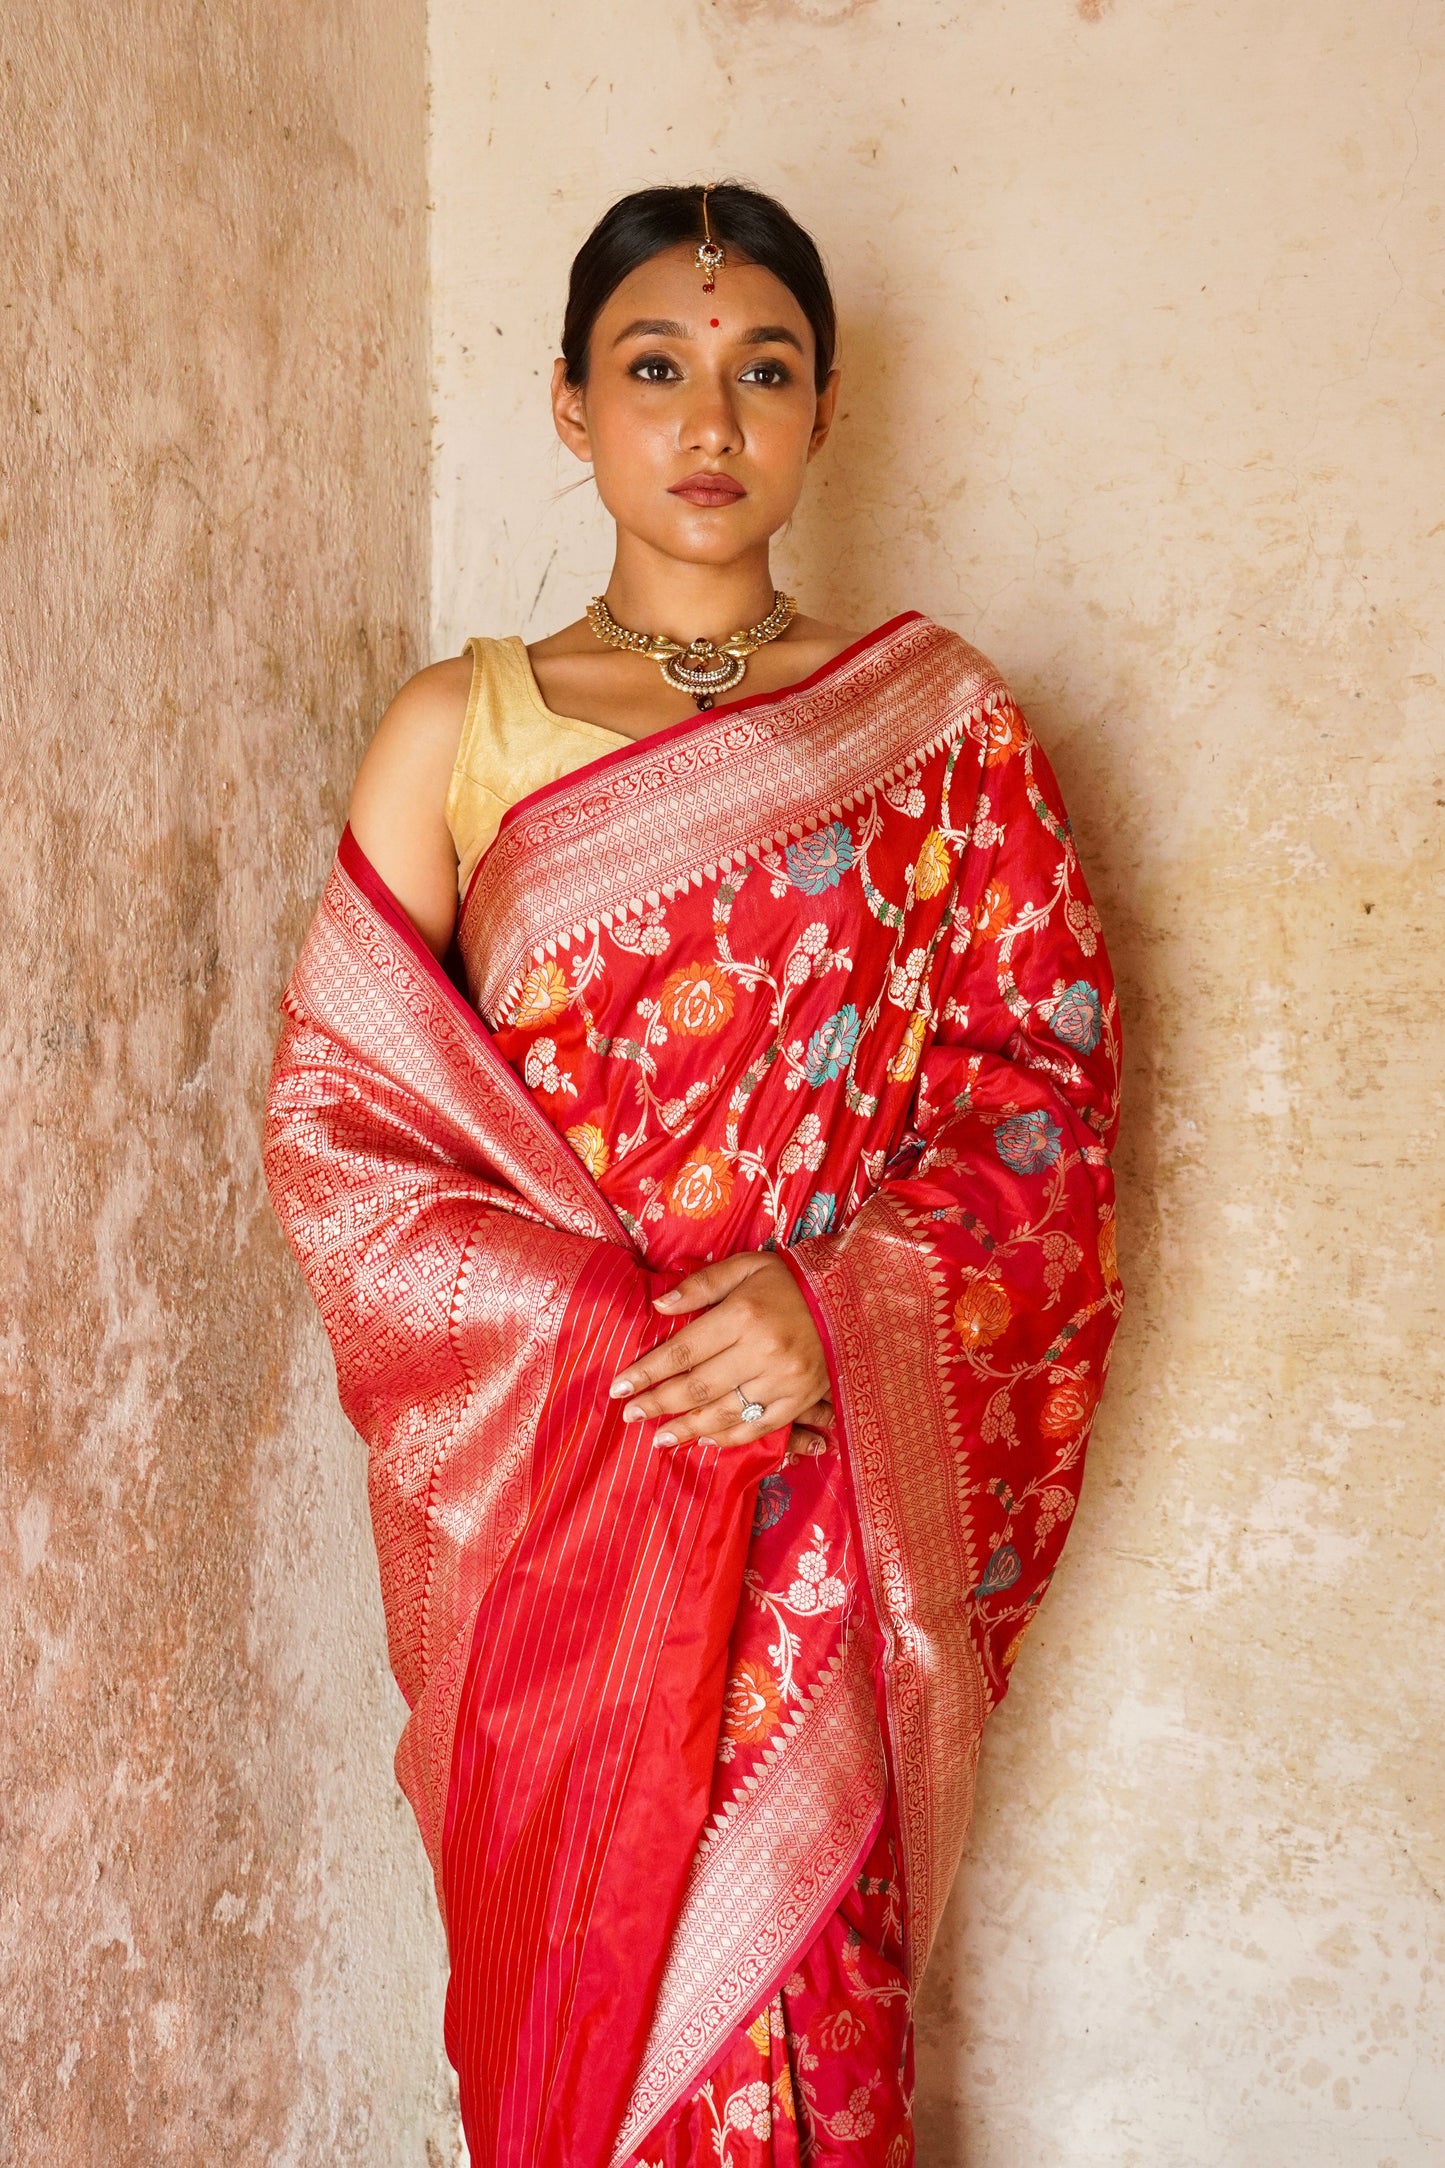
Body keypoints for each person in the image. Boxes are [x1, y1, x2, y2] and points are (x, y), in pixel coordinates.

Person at [264, 181, 1123, 2168]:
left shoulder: (935, 733)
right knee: (582, 2046)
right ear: (570, 407)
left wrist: (832, 1315)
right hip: (568, 1524)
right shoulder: (456, 731)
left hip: (833, 1523)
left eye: (764, 371)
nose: (710, 420)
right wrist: (621, 1339)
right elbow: (343, 1144)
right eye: (654, 369)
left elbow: (1043, 1108)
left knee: (812, 2028)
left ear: (822, 410)